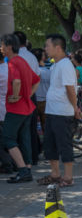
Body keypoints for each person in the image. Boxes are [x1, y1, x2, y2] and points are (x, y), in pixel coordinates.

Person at [37, 34, 80, 187]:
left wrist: (75, 107)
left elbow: (70, 89)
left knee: (64, 144)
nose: (45, 49)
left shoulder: (66, 65)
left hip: (63, 112)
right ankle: (55, 174)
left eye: (47, 46)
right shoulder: (55, 65)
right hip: (52, 111)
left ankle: (68, 177)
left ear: (58, 47)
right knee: (50, 144)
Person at [0, 34, 40, 183]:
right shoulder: (22, 60)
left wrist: (16, 96)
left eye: (2, 45)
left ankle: (22, 170)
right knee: (24, 139)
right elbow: (37, 79)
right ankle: (27, 169)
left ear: (9, 46)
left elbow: (16, 82)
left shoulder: (12, 63)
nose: (1, 48)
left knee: (8, 139)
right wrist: (28, 94)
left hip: (16, 108)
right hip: (27, 107)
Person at [14, 31, 42, 166]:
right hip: (32, 94)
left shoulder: (15, 57)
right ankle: (33, 157)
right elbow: (38, 76)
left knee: (19, 130)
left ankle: (21, 161)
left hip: (18, 95)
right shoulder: (31, 56)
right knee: (31, 128)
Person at [0, 50, 15, 174]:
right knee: (11, 138)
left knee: (3, 140)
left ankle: (7, 163)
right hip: (10, 108)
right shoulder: (9, 68)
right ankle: (14, 163)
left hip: (1, 109)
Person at [32, 48, 51, 132]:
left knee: (33, 126)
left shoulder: (32, 72)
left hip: (34, 100)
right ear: (42, 58)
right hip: (46, 101)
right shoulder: (49, 72)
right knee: (46, 125)